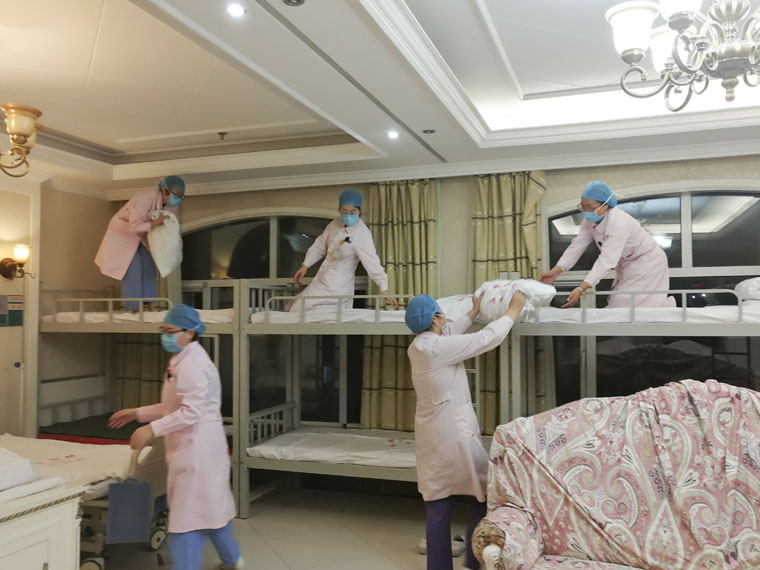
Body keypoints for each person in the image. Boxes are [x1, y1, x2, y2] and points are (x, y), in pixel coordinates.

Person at [108, 304, 242, 570]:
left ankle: (198, 563)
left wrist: (151, 429)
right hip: (194, 446)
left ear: (189, 332)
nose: (165, 337)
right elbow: (173, 408)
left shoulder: (194, 365)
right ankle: (232, 559)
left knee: (186, 520)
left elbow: (190, 412)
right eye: (163, 330)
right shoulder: (182, 359)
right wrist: (138, 413)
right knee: (213, 512)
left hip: (198, 449)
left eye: (170, 332)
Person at [405, 290, 526, 570]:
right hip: (453, 433)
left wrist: (473, 312)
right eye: (440, 313)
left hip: (431, 433)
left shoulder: (419, 346)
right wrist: (512, 311)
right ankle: (475, 559)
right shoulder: (438, 348)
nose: (444, 317)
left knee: (437, 502)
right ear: (435, 318)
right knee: (481, 493)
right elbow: (484, 339)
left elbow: (449, 332)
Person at [541, 180, 675, 308]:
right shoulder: (589, 222)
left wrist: (581, 288)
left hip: (647, 263)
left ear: (605, 205)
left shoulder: (619, 223)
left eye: (590, 207)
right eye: (583, 206)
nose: (585, 211)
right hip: (628, 263)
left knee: (631, 305)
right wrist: (557, 270)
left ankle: (668, 311)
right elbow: (576, 246)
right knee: (620, 303)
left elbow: (606, 260)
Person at [290, 189, 398, 311]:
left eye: (352, 212)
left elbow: (371, 261)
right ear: (339, 210)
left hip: (339, 285)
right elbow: (320, 244)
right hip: (322, 279)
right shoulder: (335, 224)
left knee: (314, 313)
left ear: (359, 211)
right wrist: (305, 265)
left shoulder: (362, 234)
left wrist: (384, 288)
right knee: (296, 308)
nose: (348, 215)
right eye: (344, 211)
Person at [95, 175, 185, 311]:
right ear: (165, 191)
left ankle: (150, 304)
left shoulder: (171, 205)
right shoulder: (144, 199)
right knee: (134, 269)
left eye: (181, 195)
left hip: (143, 235)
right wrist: (156, 223)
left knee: (149, 267)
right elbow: (134, 227)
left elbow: (165, 223)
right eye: (177, 194)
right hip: (123, 235)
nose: (178, 198)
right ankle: (133, 308)